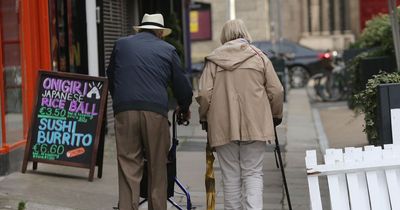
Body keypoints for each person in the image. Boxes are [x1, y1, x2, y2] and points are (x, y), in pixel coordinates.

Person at [107, 13, 192, 210]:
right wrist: (184, 107)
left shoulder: (121, 45)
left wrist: (121, 102)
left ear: (140, 29)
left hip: (124, 110)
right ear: (160, 32)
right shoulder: (168, 49)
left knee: (128, 165)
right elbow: (182, 87)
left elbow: (111, 76)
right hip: (155, 112)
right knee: (157, 166)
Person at [196, 19, 284, 210]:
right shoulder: (260, 58)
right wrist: (276, 115)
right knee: (253, 173)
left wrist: (204, 118)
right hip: (255, 125)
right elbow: (276, 91)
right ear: (245, 33)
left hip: (223, 126)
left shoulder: (213, 61)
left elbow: (203, 94)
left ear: (224, 36)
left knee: (230, 176)